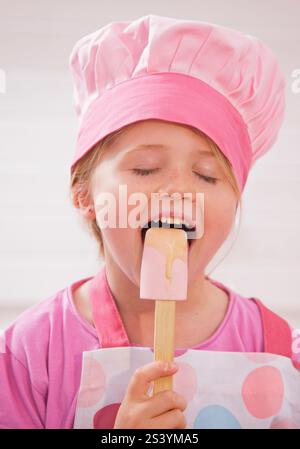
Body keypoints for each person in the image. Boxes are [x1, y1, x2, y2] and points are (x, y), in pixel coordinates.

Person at [0, 14, 299, 429]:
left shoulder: (281, 353)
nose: (179, 189)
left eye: (207, 175)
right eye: (144, 169)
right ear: (84, 194)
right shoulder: (30, 353)